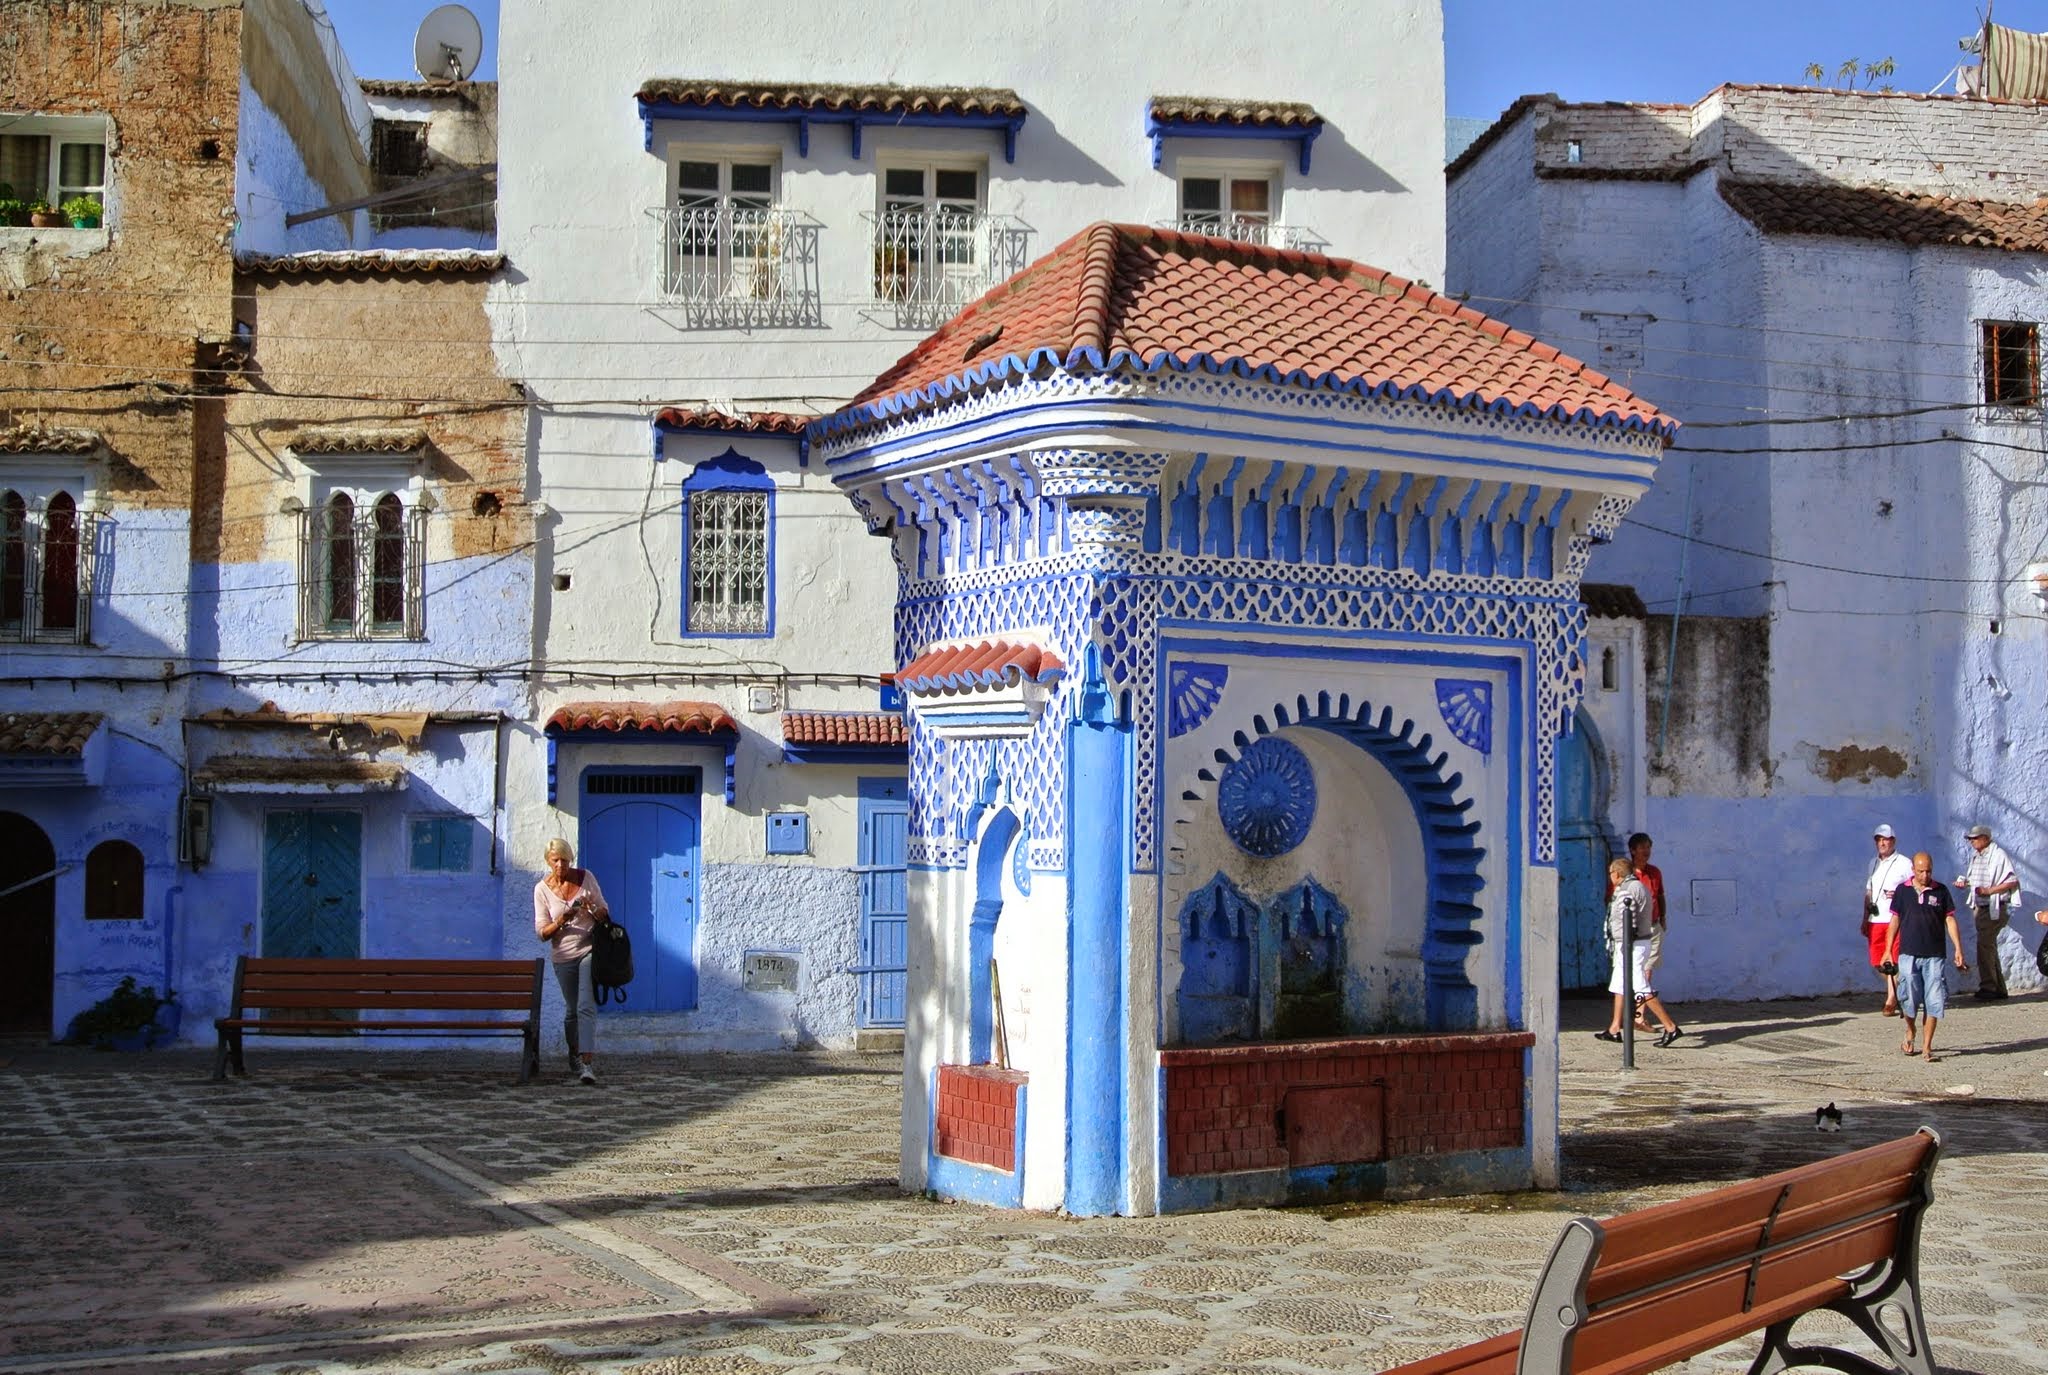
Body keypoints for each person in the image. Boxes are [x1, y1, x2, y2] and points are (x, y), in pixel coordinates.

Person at [533, 836, 610, 1084]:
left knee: (585, 1005)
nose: (561, 866)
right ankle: (574, 1053)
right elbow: (542, 933)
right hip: (562, 955)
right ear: (548, 861)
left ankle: (587, 1064)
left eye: (565, 861)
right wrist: (562, 921)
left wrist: (591, 909)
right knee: (572, 1010)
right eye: (556, 861)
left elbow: (605, 912)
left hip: (588, 949)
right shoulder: (541, 890)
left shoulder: (586, 877)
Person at [1887, 851, 1967, 1061]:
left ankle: (1927, 1046)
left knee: (1934, 1000)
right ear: (1913, 870)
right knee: (1909, 999)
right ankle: (1911, 1030)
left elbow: (1949, 920)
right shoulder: (1902, 892)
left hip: (1935, 955)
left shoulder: (1940, 891)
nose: (1925, 875)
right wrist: (1888, 950)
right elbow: (1894, 921)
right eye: (1921, 871)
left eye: (1928, 871)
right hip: (1908, 953)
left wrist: (1958, 947)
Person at [1598, 857, 1682, 1047]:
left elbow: (1627, 918)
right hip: (1630, 942)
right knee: (1619, 983)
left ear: (1617, 874)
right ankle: (1614, 1029)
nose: (1610, 877)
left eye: (1611, 873)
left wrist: (1623, 938)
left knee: (1640, 986)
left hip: (1632, 944)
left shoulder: (1629, 890)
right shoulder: (1636, 886)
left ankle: (1670, 1027)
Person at [1958, 824, 2019, 1000]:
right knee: (1988, 946)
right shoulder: (1977, 857)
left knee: (1984, 945)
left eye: (1975, 838)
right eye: (1970, 839)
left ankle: (1989, 986)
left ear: (1985, 838)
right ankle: (1998, 987)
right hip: (1981, 907)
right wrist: (1965, 883)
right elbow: (1976, 881)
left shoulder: (1998, 855)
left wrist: (1989, 891)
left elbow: (2012, 880)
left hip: (1994, 906)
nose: (1972, 842)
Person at [1863, 824, 1913, 1016]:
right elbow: (1869, 892)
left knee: (1892, 958)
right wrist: (1864, 917)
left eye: (1886, 839)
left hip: (1895, 918)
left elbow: (1914, 887)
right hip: (1876, 918)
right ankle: (1901, 988)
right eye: (1879, 840)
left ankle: (1891, 998)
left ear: (1894, 841)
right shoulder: (1873, 863)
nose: (1882, 843)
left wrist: (1900, 894)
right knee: (1877, 961)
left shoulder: (1904, 863)